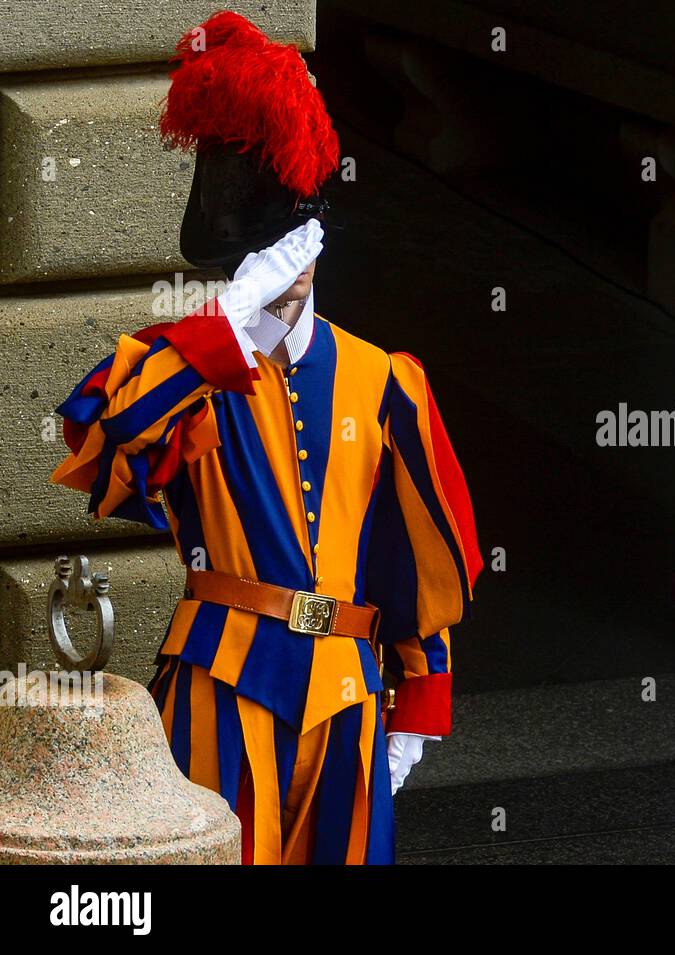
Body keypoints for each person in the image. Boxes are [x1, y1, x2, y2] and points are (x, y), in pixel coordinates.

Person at [48, 10, 482, 864]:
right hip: (219, 687)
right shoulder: (183, 369)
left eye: (288, 251)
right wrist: (228, 327)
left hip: (348, 702)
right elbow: (105, 435)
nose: (281, 274)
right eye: (259, 260)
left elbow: (411, 560)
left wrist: (418, 709)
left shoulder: (386, 379)